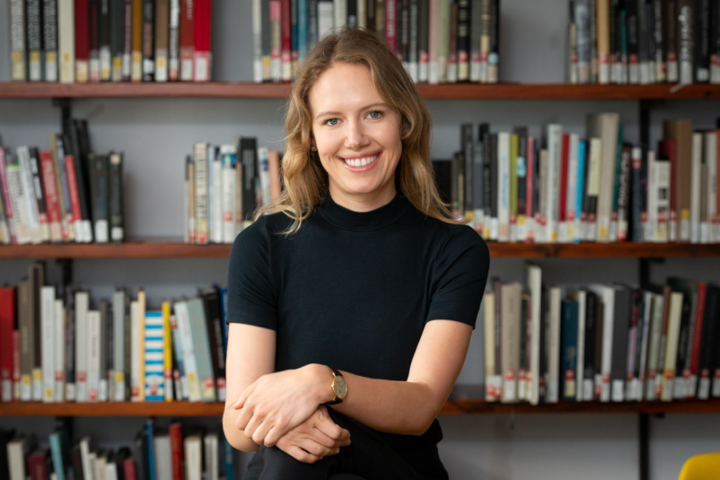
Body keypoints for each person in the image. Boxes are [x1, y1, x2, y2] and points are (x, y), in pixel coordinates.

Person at [222, 27, 490, 480]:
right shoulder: (262, 244)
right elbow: (237, 425)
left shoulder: (455, 249)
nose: (355, 138)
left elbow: (420, 405)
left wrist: (320, 383)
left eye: (373, 114)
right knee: (295, 456)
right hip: (291, 468)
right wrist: (290, 424)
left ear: (403, 121)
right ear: (309, 136)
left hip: (397, 470)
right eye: (332, 120)